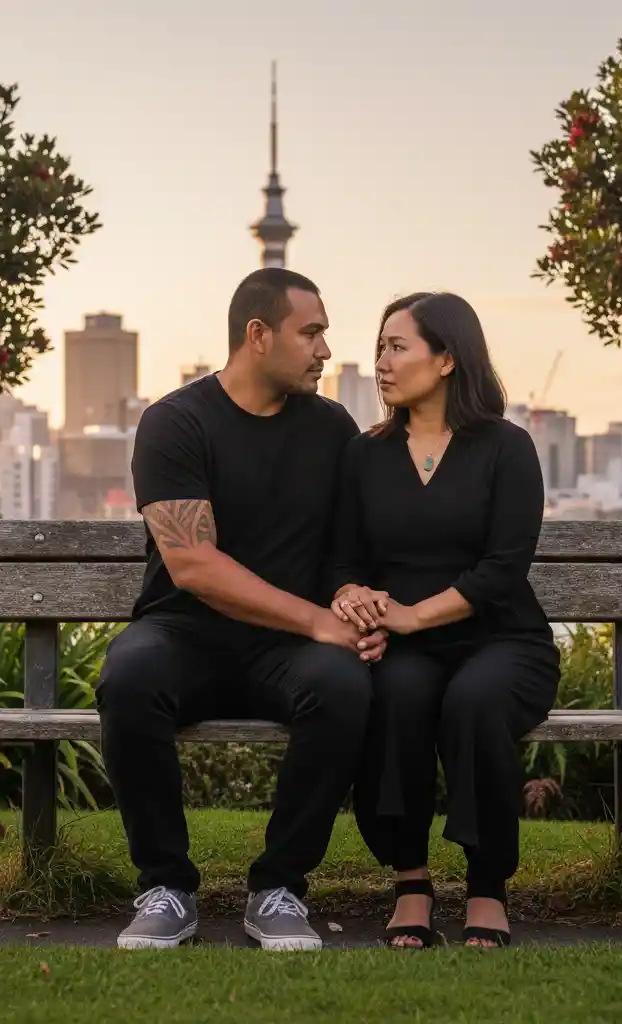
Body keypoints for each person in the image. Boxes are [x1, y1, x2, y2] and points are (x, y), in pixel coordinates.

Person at [97, 268, 387, 952]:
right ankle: (165, 888)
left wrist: (347, 600)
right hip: (184, 633)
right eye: (310, 332)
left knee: (344, 686)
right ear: (258, 335)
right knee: (129, 678)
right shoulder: (177, 421)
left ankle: (279, 888)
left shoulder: (331, 427)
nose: (324, 350)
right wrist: (318, 620)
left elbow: (346, 548)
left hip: (282, 649)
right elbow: (193, 565)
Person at [331, 291, 561, 949]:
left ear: (448, 359)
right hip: (407, 650)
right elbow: (343, 560)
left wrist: (410, 616)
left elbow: (502, 569)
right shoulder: (365, 454)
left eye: (397, 346)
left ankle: (488, 884)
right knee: (396, 694)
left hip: (504, 640)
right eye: (379, 346)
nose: (380, 361)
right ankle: (410, 879)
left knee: (475, 699)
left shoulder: (506, 448)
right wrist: (356, 600)